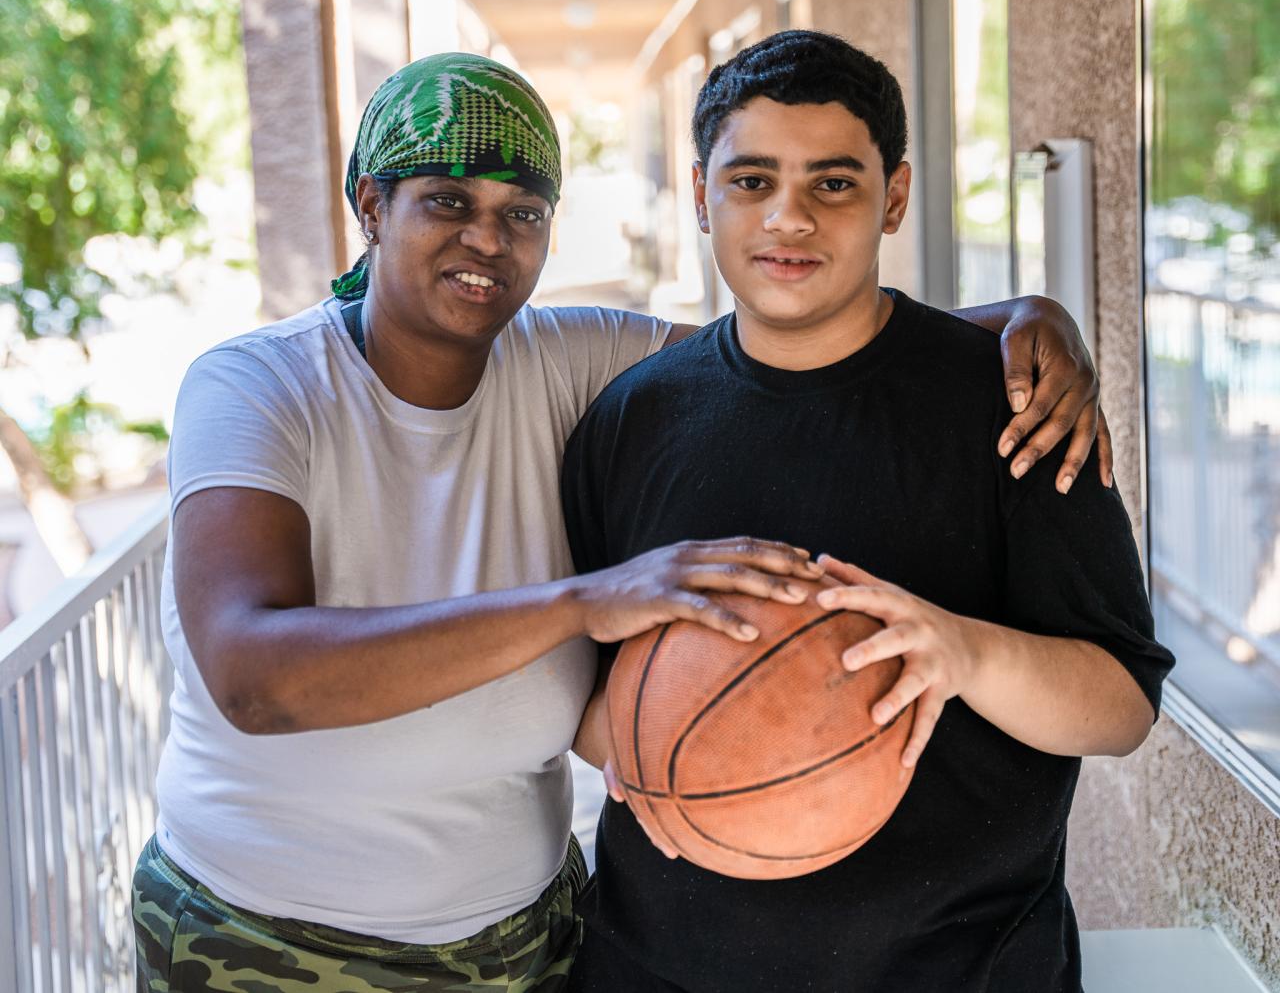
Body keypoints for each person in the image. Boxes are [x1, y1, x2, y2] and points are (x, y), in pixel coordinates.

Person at [130, 51, 1111, 991]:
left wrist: (1025, 319)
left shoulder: (567, 354)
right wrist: (580, 603)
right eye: (445, 202)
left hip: (524, 939)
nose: (486, 238)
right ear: (370, 206)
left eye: (522, 212)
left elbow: (800, 324)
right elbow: (257, 676)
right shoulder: (256, 386)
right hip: (266, 940)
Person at [562, 30, 1173, 993]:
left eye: (833, 184)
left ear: (894, 197)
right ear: (699, 194)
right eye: (752, 180)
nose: (789, 218)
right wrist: (708, 731)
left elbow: (1122, 708)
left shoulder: (1014, 402)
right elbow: (590, 717)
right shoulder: (631, 420)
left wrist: (963, 651)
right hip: (663, 967)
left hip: (965, 970)